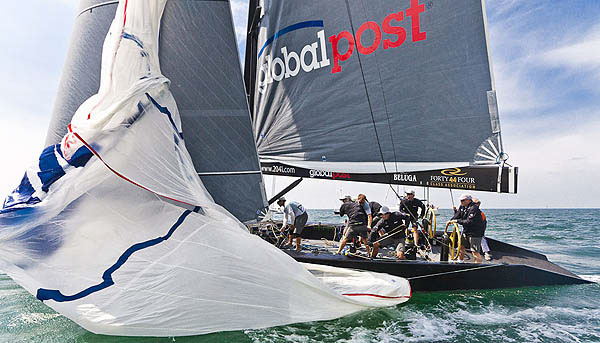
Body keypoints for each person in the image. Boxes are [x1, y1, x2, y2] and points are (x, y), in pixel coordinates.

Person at [450, 194, 485, 263]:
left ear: (469, 200)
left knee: (475, 252)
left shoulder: (474, 208)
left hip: (475, 232)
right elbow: (457, 215)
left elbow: (469, 222)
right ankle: (460, 261)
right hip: (466, 230)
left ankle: (477, 267)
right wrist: (451, 220)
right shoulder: (462, 207)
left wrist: (457, 221)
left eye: (463, 200)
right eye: (460, 200)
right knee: (460, 245)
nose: (461, 202)